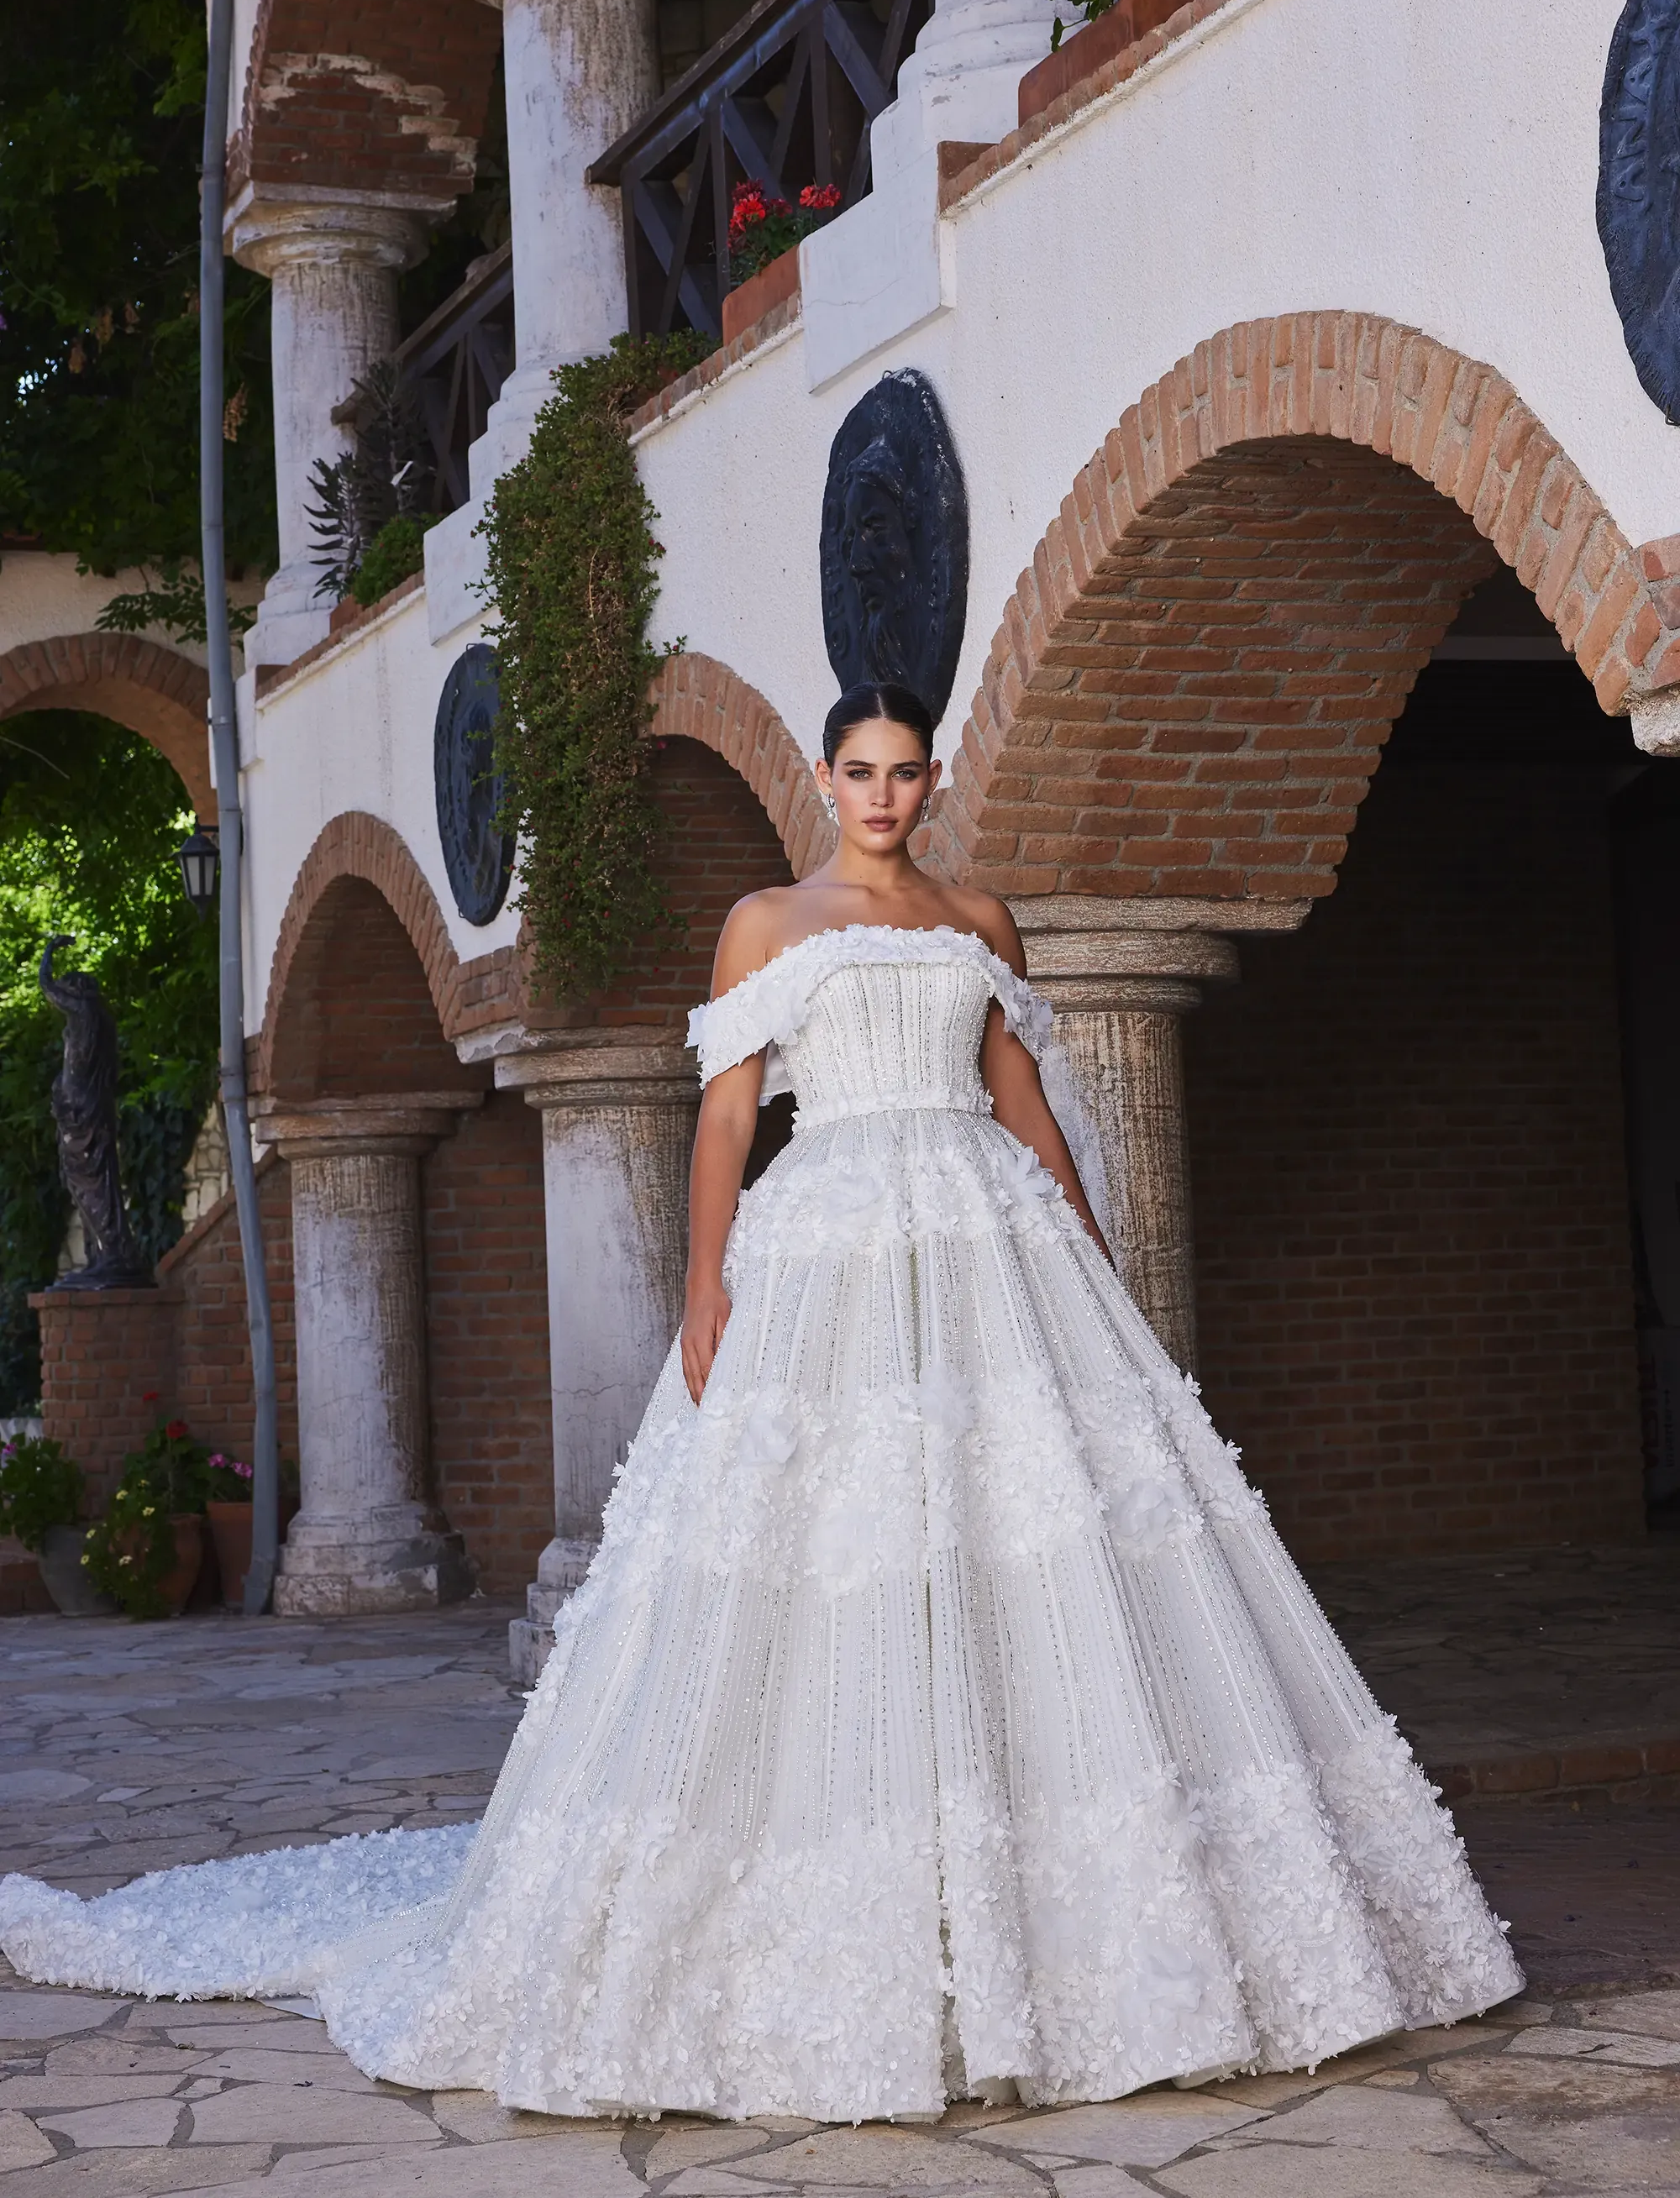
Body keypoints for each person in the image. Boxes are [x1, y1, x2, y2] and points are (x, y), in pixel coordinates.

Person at [0, 682, 1520, 2122]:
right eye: (858, 771)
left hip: (991, 1237)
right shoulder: (763, 922)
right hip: (832, 1237)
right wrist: (707, 1288)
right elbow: (726, 1114)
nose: (882, 794)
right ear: (826, 778)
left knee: (1032, 1526)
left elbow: (1026, 1103)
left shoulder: (975, 917)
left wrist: (1097, 1258)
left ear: (933, 781)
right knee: (838, 1534)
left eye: (905, 771)